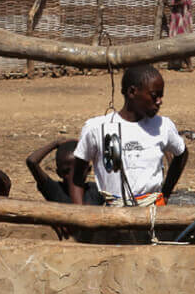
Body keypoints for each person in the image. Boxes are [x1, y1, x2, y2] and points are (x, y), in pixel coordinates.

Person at [72, 65, 189, 207]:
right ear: (132, 92)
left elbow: (182, 153)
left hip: (152, 214)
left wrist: (165, 193)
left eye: (161, 96)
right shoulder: (97, 128)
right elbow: (77, 177)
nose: (159, 101)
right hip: (113, 215)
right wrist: (80, 214)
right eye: (154, 96)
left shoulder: (163, 126)